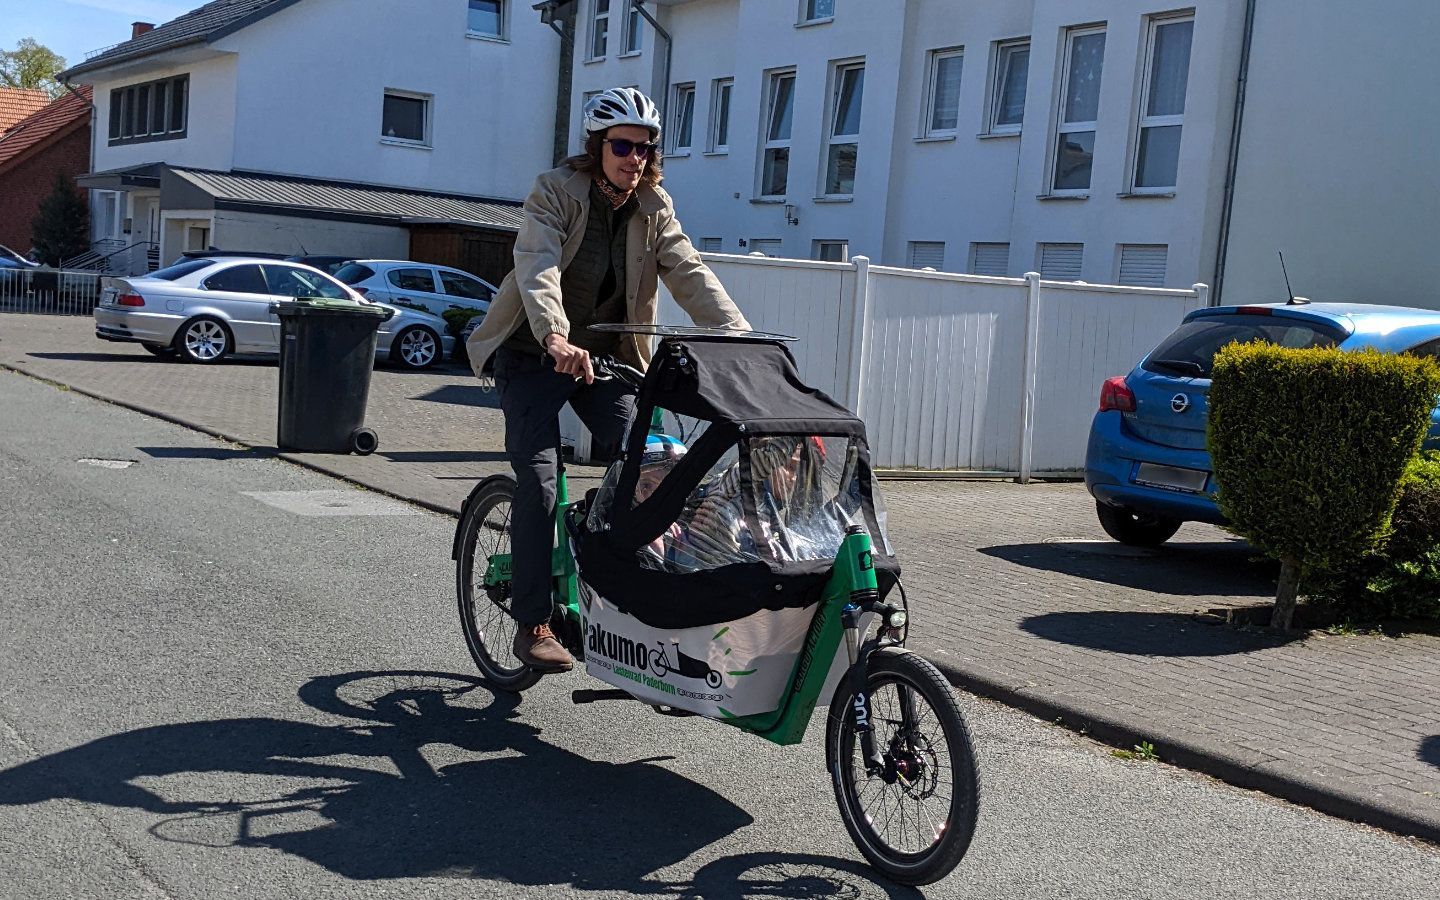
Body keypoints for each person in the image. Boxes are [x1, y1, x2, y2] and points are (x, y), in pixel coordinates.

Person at [465, 87, 751, 673]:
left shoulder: (653, 207)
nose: (634, 158)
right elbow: (538, 265)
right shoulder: (554, 191)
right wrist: (555, 336)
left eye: (645, 148)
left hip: (602, 361)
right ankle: (533, 622)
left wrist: (739, 337)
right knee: (541, 482)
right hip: (532, 354)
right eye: (622, 146)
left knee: (651, 464)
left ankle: (621, 579)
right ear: (597, 147)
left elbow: (689, 272)